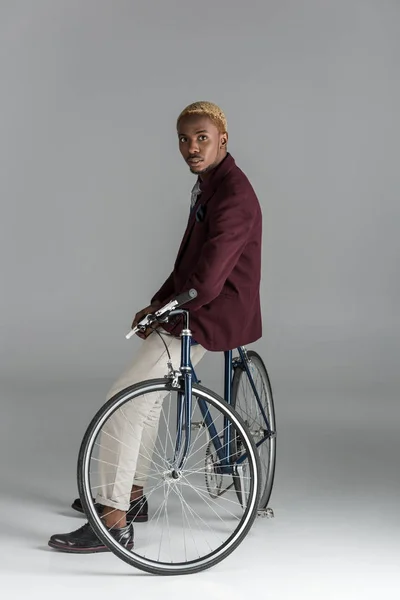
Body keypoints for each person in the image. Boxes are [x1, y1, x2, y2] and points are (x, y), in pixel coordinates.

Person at [48, 101, 263, 552]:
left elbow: (204, 282)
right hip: (195, 302)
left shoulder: (234, 196)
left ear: (223, 138)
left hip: (211, 310)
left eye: (201, 137)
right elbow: (187, 264)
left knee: (124, 401)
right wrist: (154, 305)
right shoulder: (211, 185)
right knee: (143, 403)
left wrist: (164, 310)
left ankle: (112, 520)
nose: (191, 147)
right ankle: (133, 496)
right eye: (184, 139)